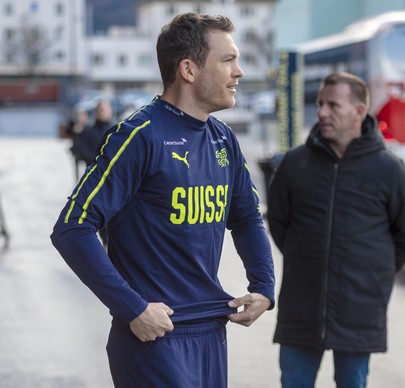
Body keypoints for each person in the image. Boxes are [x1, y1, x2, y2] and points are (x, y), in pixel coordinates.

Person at [51, 12, 275, 388]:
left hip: (210, 331)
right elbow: (71, 228)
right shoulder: (138, 136)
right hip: (154, 338)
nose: (239, 72)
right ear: (188, 69)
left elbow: (248, 217)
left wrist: (264, 286)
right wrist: (132, 308)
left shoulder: (223, 138)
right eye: (228, 60)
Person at [267, 72, 405, 387]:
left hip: (359, 307)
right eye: (321, 104)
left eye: (333, 105)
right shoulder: (295, 164)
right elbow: (279, 223)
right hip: (302, 304)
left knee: (353, 382)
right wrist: (308, 258)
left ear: (359, 111)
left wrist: (372, 270)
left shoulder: (388, 169)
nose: (322, 112)